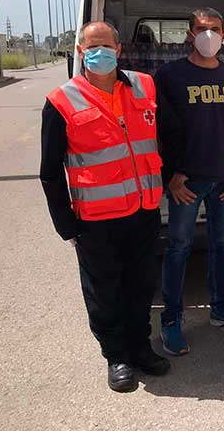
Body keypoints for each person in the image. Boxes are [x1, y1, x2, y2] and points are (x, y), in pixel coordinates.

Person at [40, 21, 170, 392]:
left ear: (119, 48)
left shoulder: (145, 85)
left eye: (106, 45)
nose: (100, 53)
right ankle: (117, 357)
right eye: (91, 47)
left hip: (143, 211)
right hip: (96, 220)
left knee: (142, 285)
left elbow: (164, 136)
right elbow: (50, 172)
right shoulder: (61, 101)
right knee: (105, 291)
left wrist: (171, 179)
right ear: (80, 52)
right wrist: (66, 225)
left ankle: (141, 348)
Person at [155, 7, 224, 356]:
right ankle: (171, 320)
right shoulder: (169, 76)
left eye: (215, 28)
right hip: (187, 183)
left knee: (222, 246)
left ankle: (222, 308)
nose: (208, 34)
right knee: (179, 248)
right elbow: (157, 131)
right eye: (201, 28)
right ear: (189, 34)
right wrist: (170, 177)